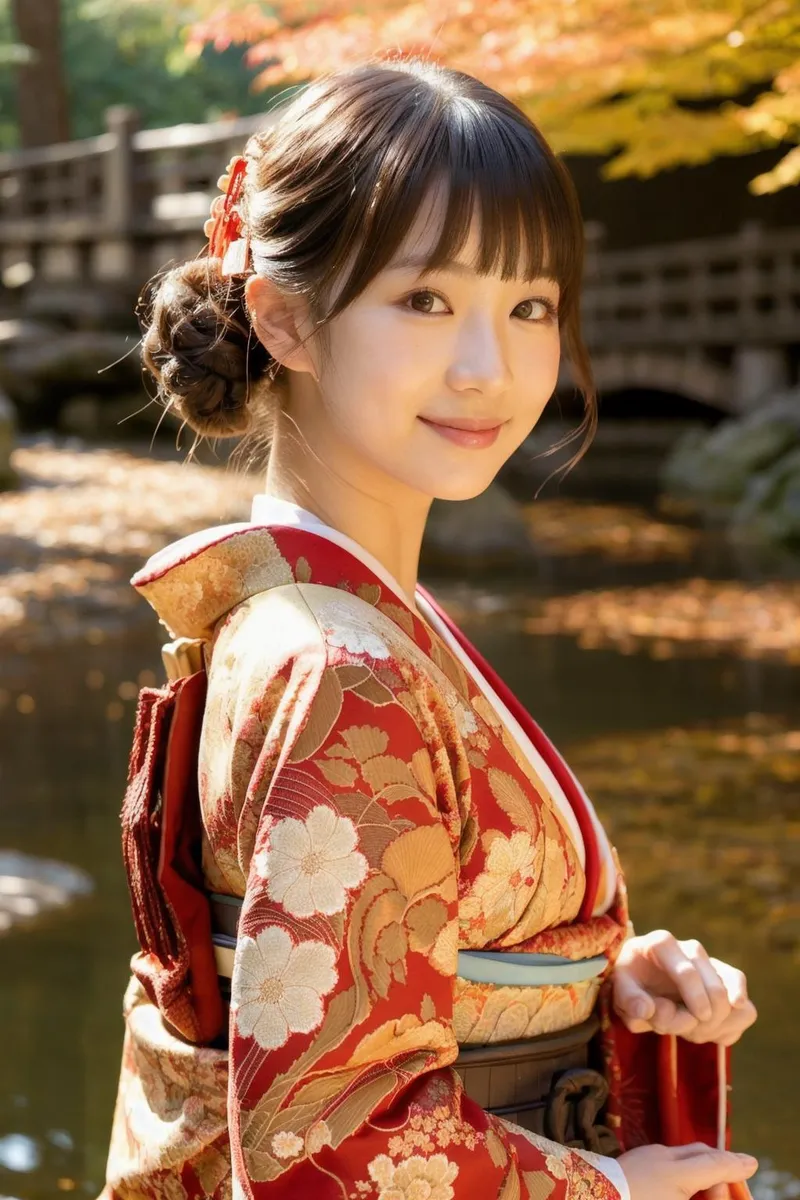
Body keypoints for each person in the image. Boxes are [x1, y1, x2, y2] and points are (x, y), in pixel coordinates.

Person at [100, 56, 759, 1200]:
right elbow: (326, 1139)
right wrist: (608, 1189)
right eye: (424, 300)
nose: (487, 367)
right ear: (286, 321)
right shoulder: (336, 662)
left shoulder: (314, 615)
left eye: (530, 306)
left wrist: (604, 980)